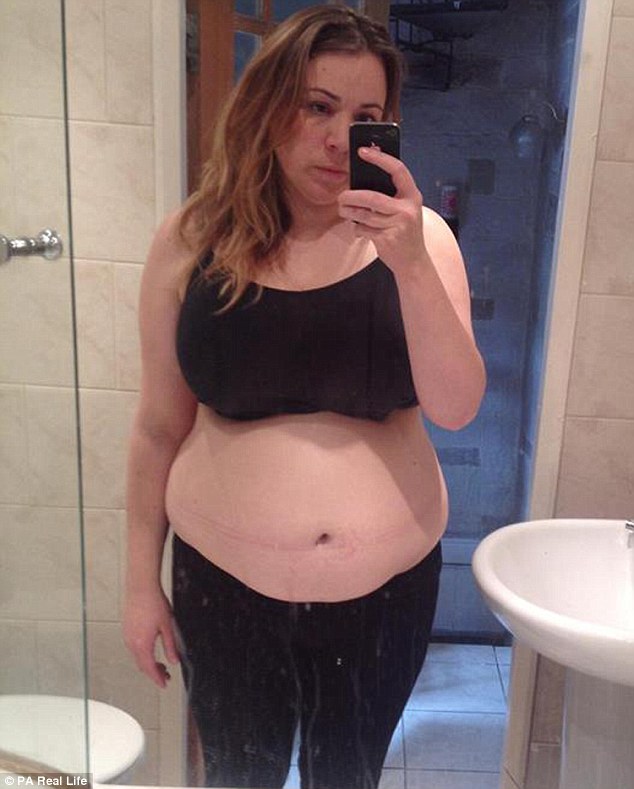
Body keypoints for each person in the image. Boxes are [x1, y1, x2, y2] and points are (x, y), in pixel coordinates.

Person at [123, 5, 485, 788]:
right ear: (267, 104)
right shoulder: (191, 239)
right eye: (317, 106)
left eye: (365, 116)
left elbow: (456, 407)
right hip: (222, 588)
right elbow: (156, 428)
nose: (338, 139)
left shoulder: (422, 240)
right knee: (237, 775)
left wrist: (409, 263)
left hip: (385, 594)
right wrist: (138, 584)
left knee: (348, 777)